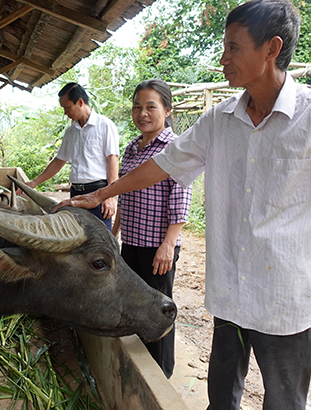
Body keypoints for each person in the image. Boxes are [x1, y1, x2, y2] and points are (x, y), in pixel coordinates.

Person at [56, 1, 311, 408]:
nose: (223, 59)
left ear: (271, 49)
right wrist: (104, 192)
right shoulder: (219, 120)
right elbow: (163, 165)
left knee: (283, 401)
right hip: (231, 292)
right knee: (221, 398)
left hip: (285, 298)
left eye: (233, 47)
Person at [114, 79, 192, 378]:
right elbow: (125, 193)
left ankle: (162, 373)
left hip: (157, 245)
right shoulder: (132, 148)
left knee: (158, 309)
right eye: (137, 107)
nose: (142, 113)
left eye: (150, 107)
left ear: (167, 110)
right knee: (134, 304)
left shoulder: (175, 147)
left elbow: (181, 199)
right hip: (132, 241)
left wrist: (168, 245)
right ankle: (141, 366)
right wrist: (115, 233)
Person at [26, 82, 119, 229]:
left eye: (67, 107)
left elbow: (113, 160)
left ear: (80, 102)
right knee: (78, 239)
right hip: (75, 193)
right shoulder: (71, 131)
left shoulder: (105, 125)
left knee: (101, 242)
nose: (65, 112)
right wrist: (34, 182)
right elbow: (59, 161)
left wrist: (109, 196)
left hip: (98, 192)